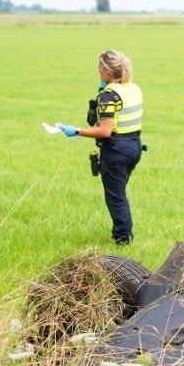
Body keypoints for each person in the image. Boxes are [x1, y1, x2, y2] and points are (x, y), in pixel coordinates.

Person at [57, 50, 144, 244]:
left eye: (99, 67)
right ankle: (124, 234)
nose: (97, 71)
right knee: (119, 192)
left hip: (116, 150)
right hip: (134, 146)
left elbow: (104, 131)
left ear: (107, 71)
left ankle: (122, 239)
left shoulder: (109, 95)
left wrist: (76, 131)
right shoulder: (133, 88)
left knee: (116, 196)